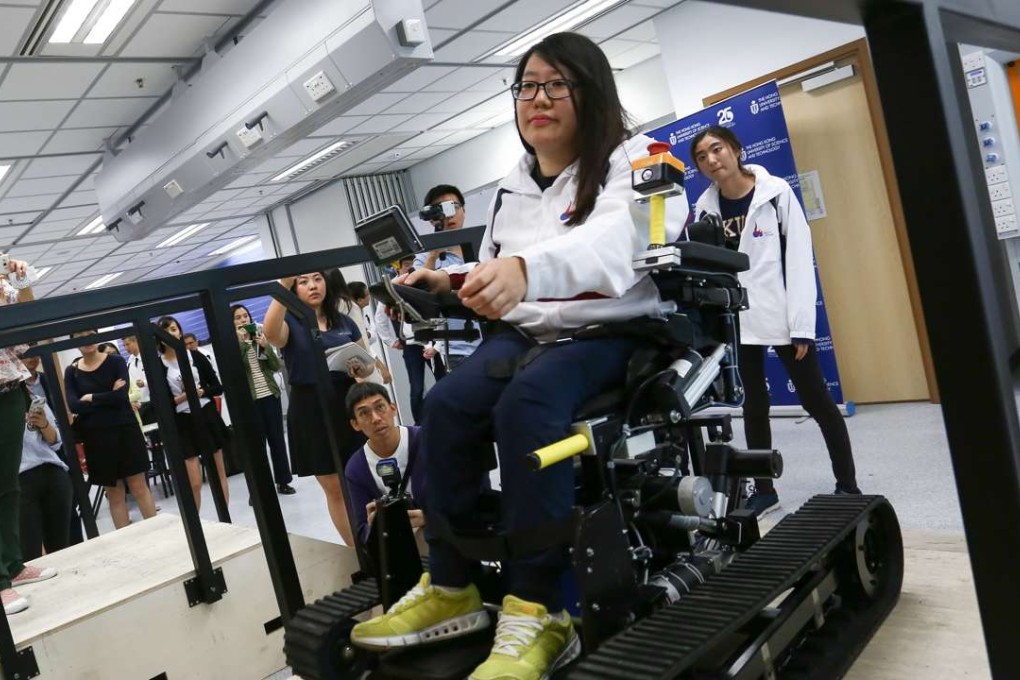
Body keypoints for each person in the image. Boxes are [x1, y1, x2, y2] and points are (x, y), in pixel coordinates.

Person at [351, 33, 686, 679]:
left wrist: (527, 270)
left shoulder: (644, 158)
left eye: (557, 84)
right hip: (528, 333)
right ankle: (453, 585)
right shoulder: (513, 183)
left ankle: (539, 609)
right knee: (444, 408)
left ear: (592, 92)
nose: (539, 98)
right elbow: (503, 259)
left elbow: (621, 243)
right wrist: (456, 280)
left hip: (610, 331)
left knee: (526, 409)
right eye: (528, 85)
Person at [690, 125, 861, 517]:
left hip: (784, 316)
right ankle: (764, 490)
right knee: (753, 406)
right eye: (702, 156)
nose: (712, 160)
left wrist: (802, 324)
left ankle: (848, 485)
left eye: (717, 149)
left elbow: (800, 262)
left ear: (735, 149)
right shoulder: (704, 209)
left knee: (817, 400)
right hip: (738, 320)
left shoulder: (776, 194)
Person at [263, 271, 376, 546]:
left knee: (364, 477)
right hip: (311, 406)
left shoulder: (343, 321)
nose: (312, 285)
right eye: (303, 281)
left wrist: (361, 367)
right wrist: (282, 286)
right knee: (335, 488)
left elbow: (368, 362)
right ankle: (357, 550)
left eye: (317, 279)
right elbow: (270, 333)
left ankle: (380, 542)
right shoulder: (291, 321)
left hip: (346, 401)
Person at [0, 253, 59, 615]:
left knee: (8, 484)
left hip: (7, 387)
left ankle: (13, 565)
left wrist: (21, 283)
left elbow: (27, 335)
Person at [64, 330, 158, 529]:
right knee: (114, 493)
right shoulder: (72, 371)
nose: (86, 339)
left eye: (90, 334)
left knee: (139, 486)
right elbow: (74, 405)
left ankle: (157, 535)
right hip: (96, 438)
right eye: (80, 336)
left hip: (125, 430)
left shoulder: (115, 361)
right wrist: (108, 395)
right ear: (73, 341)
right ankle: (125, 546)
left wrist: (91, 398)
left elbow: (121, 396)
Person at [156, 316, 231, 511]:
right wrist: (183, 397)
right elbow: (162, 403)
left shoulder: (195, 356)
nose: (172, 334)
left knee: (218, 473)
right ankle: (196, 525)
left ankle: (226, 518)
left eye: (174, 329)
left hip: (206, 413)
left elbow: (217, 386)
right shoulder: (158, 365)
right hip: (183, 422)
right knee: (194, 482)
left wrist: (201, 391)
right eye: (166, 331)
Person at [343, 382, 426, 545]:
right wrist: (375, 527)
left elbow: (462, 500)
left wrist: (428, 518)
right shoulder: (356, 468)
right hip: (397, 551)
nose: (376, 418)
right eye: (364, 413)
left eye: (380, 407)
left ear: (393, 408)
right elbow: (362, 533)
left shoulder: (427, 439)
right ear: (355, 424)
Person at [415, 184, 481, 371]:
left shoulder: (483, 246)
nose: (449, 215)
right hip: (458, 347)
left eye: (454, 207)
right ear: (431, 218)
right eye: (442, 209)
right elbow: (420, 295)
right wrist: (434, 253)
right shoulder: (424, 258)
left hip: (494, 339)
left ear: (464, 210)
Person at [231, 304, 295, 495]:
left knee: (277, 440)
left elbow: (275, 366)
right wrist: (243, 344)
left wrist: (265, 347)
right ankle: (258, 489)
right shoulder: (231, 344)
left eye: (245, 316)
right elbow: (237, 372)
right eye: (238, 317)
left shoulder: (259, 338)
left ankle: (283, 481)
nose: (243, 320)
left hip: (270, 395)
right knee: (256, 446)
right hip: (250, 401)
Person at [19, 402, 72, 561]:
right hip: (17, 482)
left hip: (52, 472)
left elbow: (55, 442)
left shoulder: (32, 400)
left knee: (61, 548)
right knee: (30, 552)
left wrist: (44, 424)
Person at [326, 270, 391, 385]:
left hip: (358, 370)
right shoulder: (332, 308)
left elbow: (362, 344)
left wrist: (379, 366)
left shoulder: (345, 305)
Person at [123, 335, 154, 425]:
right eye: (124, 346)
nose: (126, 348)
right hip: (139, 405)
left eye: (127, 344)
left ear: (136, 341)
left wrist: (144, 383)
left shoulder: (149, 357)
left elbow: (158, 377)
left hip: (152, 402)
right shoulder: (130, 360)